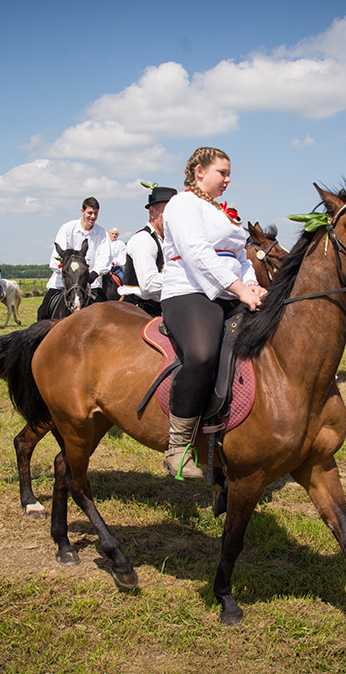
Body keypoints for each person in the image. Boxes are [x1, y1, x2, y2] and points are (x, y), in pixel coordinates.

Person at [160, 147, 264, 479]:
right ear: (200, 171)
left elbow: (242, 255)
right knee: (203, 354)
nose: (228, 179)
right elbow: (196, 253)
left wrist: (253, 284)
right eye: (223, 172)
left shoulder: (223, 212)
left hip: (230, 289)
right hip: (189, 291)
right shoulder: (182, 204)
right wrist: (239, 289)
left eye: (229, 173)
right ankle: (178, 448)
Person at [36, 197, 111, 320]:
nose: (92, 217)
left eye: (95, 213)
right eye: (89, 213)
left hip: (90, 283)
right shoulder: (67, 228)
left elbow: (105, 258)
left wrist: (94, 273)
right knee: (42, 312)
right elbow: (56, 259)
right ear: (82, 211)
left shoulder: (102, 233)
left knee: (108, 315)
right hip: (63, 282)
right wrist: (70, 274)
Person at [117, 186, 176, 317]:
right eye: (166, 212)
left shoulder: (167, 241)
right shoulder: (143, 239)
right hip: (139, 310)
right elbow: (149, 285)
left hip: (158, 307)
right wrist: (181, 278)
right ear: (152, 212)